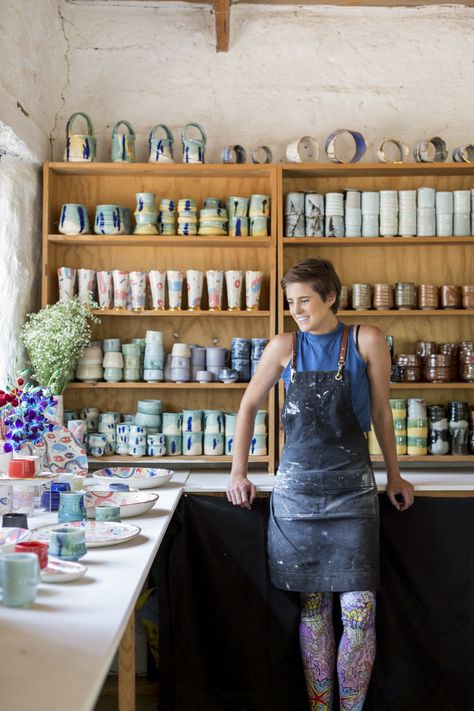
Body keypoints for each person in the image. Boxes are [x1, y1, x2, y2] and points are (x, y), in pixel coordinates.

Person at [227, 257, 414, 710]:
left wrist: (394, 473)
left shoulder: (366, 339)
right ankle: (320, 706)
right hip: (297, 497)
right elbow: (248, 405)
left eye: (304, 300)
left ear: (331, 297)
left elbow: (382, 413)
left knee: (358, 612)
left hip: (353, 493)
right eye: (290, 302)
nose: (296, 310)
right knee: (313, 610)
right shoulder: (283, 346)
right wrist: (238, 471)